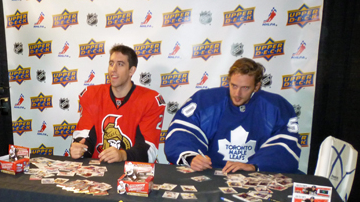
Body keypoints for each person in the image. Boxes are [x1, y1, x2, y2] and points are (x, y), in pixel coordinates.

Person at [164, 58, 301, 173]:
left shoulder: (276, 107)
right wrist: (191, 157)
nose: (237, 94)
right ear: (228, 81)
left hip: (255, 176)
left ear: (257, 86)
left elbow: (285, 145)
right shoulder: (206, 100)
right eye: (234, 86)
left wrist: (254, 165)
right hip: (211, 173)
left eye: (245, 88)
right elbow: (182, 131)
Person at [70, 45, 165, 163]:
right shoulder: (93, 95)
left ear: (131, 70)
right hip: (98, 171)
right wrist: (80, 148)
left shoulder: (150, 100)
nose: (113, 69)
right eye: (111, 63)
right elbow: (86, 136)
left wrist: (123, 155)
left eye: (120, 64)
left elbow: (149, 150)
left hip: (133, 173)